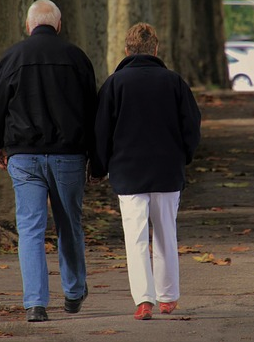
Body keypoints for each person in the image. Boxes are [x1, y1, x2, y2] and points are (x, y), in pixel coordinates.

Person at [0, 0, 96, 322]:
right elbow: (93, 111)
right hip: (68, 156)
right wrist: (96, 156)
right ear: (58, 25)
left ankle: (35, 303)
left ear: (28, 25)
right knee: (69, 224)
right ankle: (74, 292)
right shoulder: (77, 58)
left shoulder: (12, 57)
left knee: (30, 228)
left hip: (24, 155)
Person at [90, 23, 201, 320]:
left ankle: (144, 299)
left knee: (135, 237)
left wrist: (98, 167)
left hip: (128, 171)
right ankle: (168, 296)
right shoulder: (174, 82)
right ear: (156, 49)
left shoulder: (114, 84)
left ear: (127, 50)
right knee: (166, 233)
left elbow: (101, 131)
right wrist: (185, 156)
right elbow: (191, 125)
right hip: (167, 169)